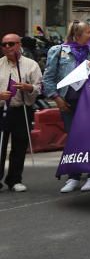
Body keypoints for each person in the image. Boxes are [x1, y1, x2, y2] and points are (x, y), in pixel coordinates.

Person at [46, 21, 90, 193]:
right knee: (73, 139)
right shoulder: (58, 51)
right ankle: (73, 176)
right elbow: (48, 77)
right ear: (77, 34)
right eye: (88, 32)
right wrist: (56, 98)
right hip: (68, 102)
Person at [1, 34, 42, 193]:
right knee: (0, 145)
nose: (7, 47)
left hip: (22, 109)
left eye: (11, 44)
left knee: (19, 145)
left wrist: (28, 88)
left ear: (19, 45)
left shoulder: (31, 65)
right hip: (2, 109)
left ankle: (14, 179)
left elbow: (38, 87)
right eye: (3, 44)